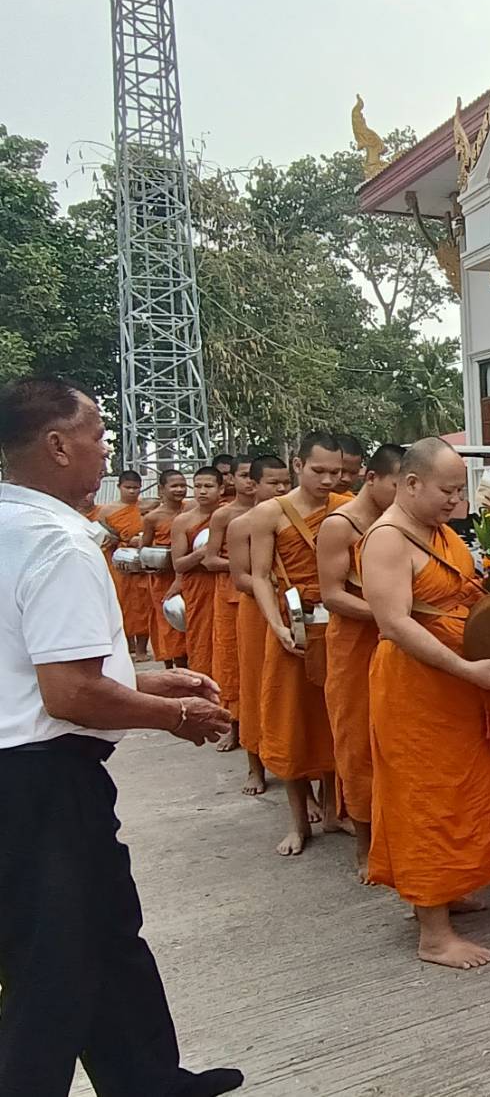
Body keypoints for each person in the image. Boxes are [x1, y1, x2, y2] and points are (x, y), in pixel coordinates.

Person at [0, 376, 240, 1097]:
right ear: (56, 443)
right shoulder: (58, 542)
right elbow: (67, 692)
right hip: (40, 776)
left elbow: (38, 662)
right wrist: (173, 716)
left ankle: (148, 1080)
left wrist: (143, 684)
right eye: (100, 434)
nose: (107, 448)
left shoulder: (10, 522)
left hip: (23, 767)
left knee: (106, 933)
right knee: (55, 964)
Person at [359, 437, 490, 970]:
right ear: (410, 484)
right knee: (425, 797)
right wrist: (462, 668)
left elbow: (452, 595)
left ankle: (448, 889)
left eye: (459, 490)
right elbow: (394, 623)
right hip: (419, 687)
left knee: (461, 791)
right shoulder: (387, 539)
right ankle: (433, 934)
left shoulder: (440, 532)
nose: (457, 501)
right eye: (447, 491)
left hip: (459, 684)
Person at [247, 432, 348, 855]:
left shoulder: (345, 510)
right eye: (318, 471)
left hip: (335, 627)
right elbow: (259, 575)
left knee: (332, 719)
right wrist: (277, 627)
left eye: (336, 472)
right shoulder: (270, 513)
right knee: (291, 723)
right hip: (292, 626)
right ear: (297, 465)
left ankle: (331, 810)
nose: (327, 480)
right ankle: (296, 822)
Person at [319, 442, 404, 881]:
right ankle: (365, 842)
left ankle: (400, 839)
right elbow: (331, 594)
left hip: (400, 644)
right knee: (357, 740)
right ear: (372, 478)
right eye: (396, 485)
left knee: (397, 741)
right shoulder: (341, 525)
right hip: (355, 645)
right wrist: (393, 615)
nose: (402, 494)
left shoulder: (403, 523)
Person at [229, 456, 291, 796]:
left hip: (294, 610)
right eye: (273, 482)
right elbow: (241, 578)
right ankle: (255, 767)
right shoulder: (241, 524)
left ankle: (298, 769)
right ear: (254, 484)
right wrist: (277, 588)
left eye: (286, 481)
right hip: (256, 613)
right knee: (255, 685)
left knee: (290, 691)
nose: (281, 488)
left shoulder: (295, 517)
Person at [202, 459, 255, 753]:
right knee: (232, 666)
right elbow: (210, 559)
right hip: (230, 595)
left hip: (265, 594)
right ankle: (234, 728)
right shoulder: (224, 516)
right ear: (233, 479)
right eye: (244, 476)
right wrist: (243, 567)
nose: (249, 482)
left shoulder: (274, 512)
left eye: (252, 476)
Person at [168, 467, 224, 681]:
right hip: (199, 587)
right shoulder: (183, 521)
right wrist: (203, 552)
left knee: (227, 639)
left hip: (226, 583)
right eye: (198, 486)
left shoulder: (231, 515)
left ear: (221, 489)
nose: (202, 491)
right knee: (202, 639)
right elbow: (179, 564)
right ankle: (203, 687)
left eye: (208, 486)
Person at [99, 470, 152, 659]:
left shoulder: (147, 506)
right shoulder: (107, 510)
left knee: (144, 604)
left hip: (141, 561)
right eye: (127, 488)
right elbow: (103, 535)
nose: (132, 492)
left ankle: (142, 649)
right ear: (119, 487)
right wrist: (115, 541)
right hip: (119, 562)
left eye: (136, 488)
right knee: (123, 603)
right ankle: (128, 645)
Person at [140, 469, 191, 667]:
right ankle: (172, 665)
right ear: (162, 489)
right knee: (169, 621)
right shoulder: (153, 518)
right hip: (163, 576)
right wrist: (154, 561)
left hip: (188, 573)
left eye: (183, 485)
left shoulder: (192, 510)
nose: (179, 490)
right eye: (174, 486)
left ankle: (191, 662)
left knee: (191, 620)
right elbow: (144, 548)